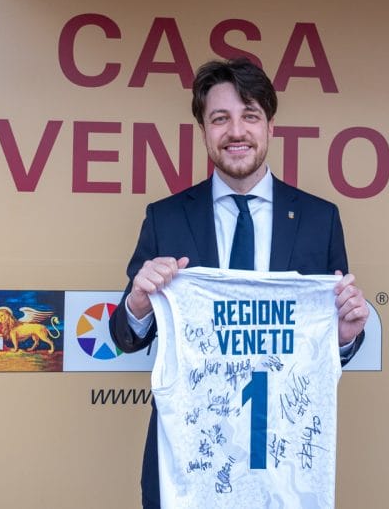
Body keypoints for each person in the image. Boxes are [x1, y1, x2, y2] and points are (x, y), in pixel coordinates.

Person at [109, 58, 369, 508]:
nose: (236, 132)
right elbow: (125, 337)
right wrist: (138, 303)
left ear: (270, 126)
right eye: (220, 119)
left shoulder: (319, 220)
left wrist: (344, 336)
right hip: (190, 457)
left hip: (285, 458)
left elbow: (328, 344)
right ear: (203, 130)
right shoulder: (166, 218)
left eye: (249, 116)